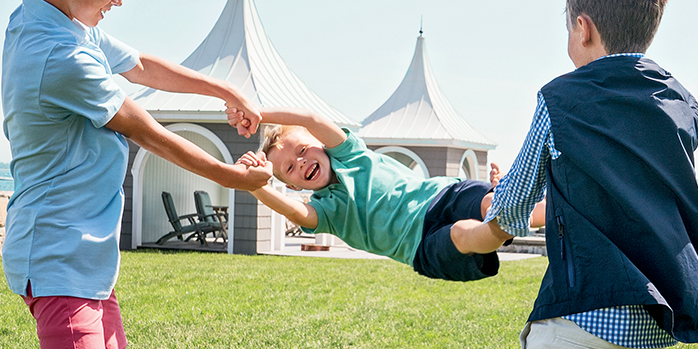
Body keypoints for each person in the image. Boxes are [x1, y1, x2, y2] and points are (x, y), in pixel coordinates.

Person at [0, 0, 269, 349]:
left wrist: (227, 91)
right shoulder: (58, 55)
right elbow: (145, 130)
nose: (119, 0)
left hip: (87, 262)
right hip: (59, 259)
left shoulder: (57, 21)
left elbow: (140, 64)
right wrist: (234, 179)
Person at [460, 0, 698, 349]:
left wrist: (488, 215)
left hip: (582, 324)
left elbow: (515, 206)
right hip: (652, 333)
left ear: (583, 28)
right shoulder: (682, 106)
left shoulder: (561, 98)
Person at [228, 107, 543, 281]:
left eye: (302, 149)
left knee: (487, 202)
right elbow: (295, 213)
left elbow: (313, 120)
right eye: (289, 169)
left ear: (320, 143)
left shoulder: (351, 154)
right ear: (294, 186)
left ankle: (534, 209)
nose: (300, 162)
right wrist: (257, 185)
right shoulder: (327, 211)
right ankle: (500, 222)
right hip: (421, 247)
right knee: (463, 232)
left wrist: (257, 114)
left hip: (442, 195)